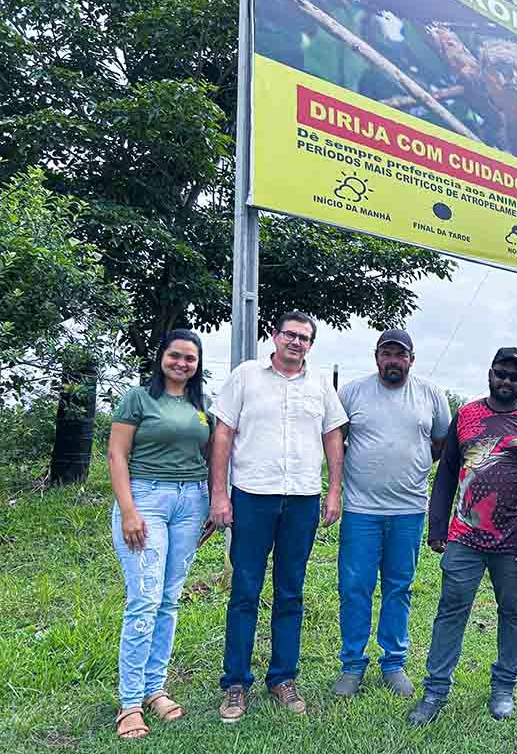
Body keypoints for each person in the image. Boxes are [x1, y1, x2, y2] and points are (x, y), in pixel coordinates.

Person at [208, 310, 347, 722]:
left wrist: (334, 489)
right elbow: (222, 434)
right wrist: (219, 494)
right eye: (290, 334)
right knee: (245, 589)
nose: (296, 342)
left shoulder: (320, 383)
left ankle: (283, 677)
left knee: (291, 591)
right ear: (274, 335)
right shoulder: (246, 376)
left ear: (311, 344)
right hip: (252, 496)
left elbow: (333, 434)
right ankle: (236, 682)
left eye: (304, 338)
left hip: (302, 499)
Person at [407, 347, 517, 725]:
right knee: (450, 612)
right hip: (464, 538)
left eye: (514, 376)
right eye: (501, 374)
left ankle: (504, 688)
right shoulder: (467, 416)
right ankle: (435, 691)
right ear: (489, 373)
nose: (506, 381)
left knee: (513, 613)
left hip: (513, 542)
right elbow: (446, 475)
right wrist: (437, 525)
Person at [333, 329, 451, 698]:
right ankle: (352, 664)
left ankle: (393, 663)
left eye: (401, 355)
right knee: (355, 588)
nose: (393, 361)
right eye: (387, 354)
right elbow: (335, 440)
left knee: (399, 588)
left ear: (411, 360)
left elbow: (442, 443)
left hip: (409, 510)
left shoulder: (431, 395)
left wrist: (413, 466)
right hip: (360, 509)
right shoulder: (351, 392)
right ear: (377, 357)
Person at [107, 329, 212, 740]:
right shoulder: (138, 398)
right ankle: (130, 702)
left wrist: (211, 504)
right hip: (146, 499)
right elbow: (117, 454)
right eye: (176, 356)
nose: (182, 363)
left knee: (168, 600)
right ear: (161, 357)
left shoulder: (200, 404)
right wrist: (129, 510)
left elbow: (207, 453)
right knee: (144, 599)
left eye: (190, 358)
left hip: (191, 503)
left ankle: (155, 688)